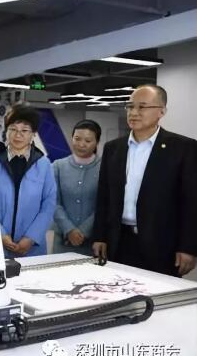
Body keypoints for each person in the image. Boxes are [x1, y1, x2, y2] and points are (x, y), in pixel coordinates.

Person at [92, 84, 197, 276]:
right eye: (130, 106)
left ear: (161, 111)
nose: (134, 112)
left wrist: (188, 247)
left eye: (142, 107)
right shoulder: (113, 148)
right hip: (119, 242)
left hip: (162, 245)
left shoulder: (183, 148)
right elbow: (104, 196)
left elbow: (191, 202)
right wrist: (100, 236)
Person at [0, 103, 56, 258]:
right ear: (6, 131)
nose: (18, 135)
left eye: (24, 130)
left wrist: (31, 238)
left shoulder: (44, 164)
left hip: (32, 248)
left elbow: (49, 204)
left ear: (33, 134)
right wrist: (0, 233)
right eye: (13, 129)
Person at [52, 120, 102, 256]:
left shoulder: (105, 167)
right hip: (63, 241)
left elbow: (105, 205)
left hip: (93, 242)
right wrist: (69, 230)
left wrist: (83, 231)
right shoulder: (58, 166)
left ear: (97, 142)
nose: (81, 144)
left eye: (88, 141)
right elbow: (53, 202)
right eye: (77, 139)